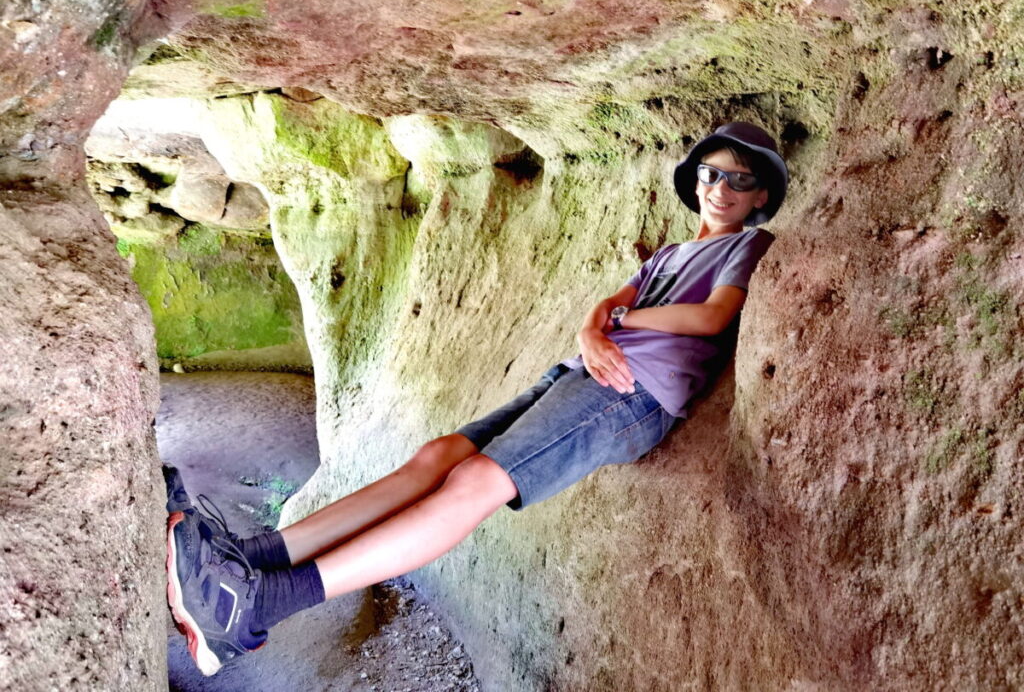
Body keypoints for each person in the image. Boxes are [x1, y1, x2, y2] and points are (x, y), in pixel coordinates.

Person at [165, 121, 789, 676]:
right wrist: (594, 329)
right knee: (438, 456)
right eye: (712, 173)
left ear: (762, 195)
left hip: (632, 393)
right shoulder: (677, 252)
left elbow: (711, 319)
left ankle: (258, 606)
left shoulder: (749, 246)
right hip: (580, 371)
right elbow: (607, 304)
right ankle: (253, 559)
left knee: (476, 481)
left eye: (741, 179)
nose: (722, 188)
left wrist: (625, 320)